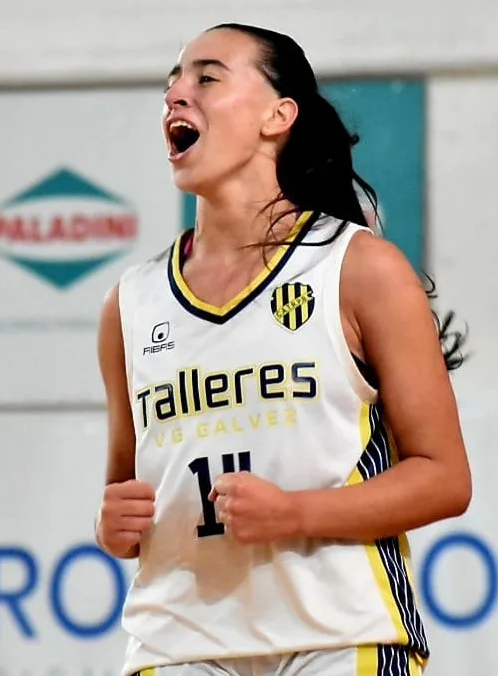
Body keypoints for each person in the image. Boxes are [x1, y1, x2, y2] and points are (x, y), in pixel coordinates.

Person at [95, 22, 472, 676]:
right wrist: (110, 525)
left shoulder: (359, 268)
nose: (177, 94)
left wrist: (295, 512)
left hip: (340, 632)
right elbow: (125, 492)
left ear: (279, 115)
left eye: (207, 78)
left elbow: (444, 478)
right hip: (177, 641)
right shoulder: (128, 304)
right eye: (173, 83)